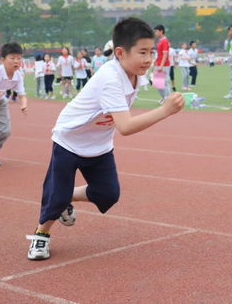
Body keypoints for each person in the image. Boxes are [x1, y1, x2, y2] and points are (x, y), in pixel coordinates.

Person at [26, 17, 184, 260]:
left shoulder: (136, 71)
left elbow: (153, 78)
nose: (148, 59)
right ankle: (41, 235)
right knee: (55, 196)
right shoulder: (110, 78)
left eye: (150, 52)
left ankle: (66, 195)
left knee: (108, 194)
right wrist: (165, 110)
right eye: (142, 52)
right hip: (70, 140)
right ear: (120, 52)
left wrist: (168, 92)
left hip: (99, 145)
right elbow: (126, 127)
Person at [153, 24, 171, 102]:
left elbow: (165, 54)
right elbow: (159, 53)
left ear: (161, 31)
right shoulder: (160, 41)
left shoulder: (165, 41)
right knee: (157, 83)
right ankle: (164, 97)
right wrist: (156, 62)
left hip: (164, 65)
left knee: (165, 82)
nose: (155, 33)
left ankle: (168, 99)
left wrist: (161, 65)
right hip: (158, 63)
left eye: (156, 31)